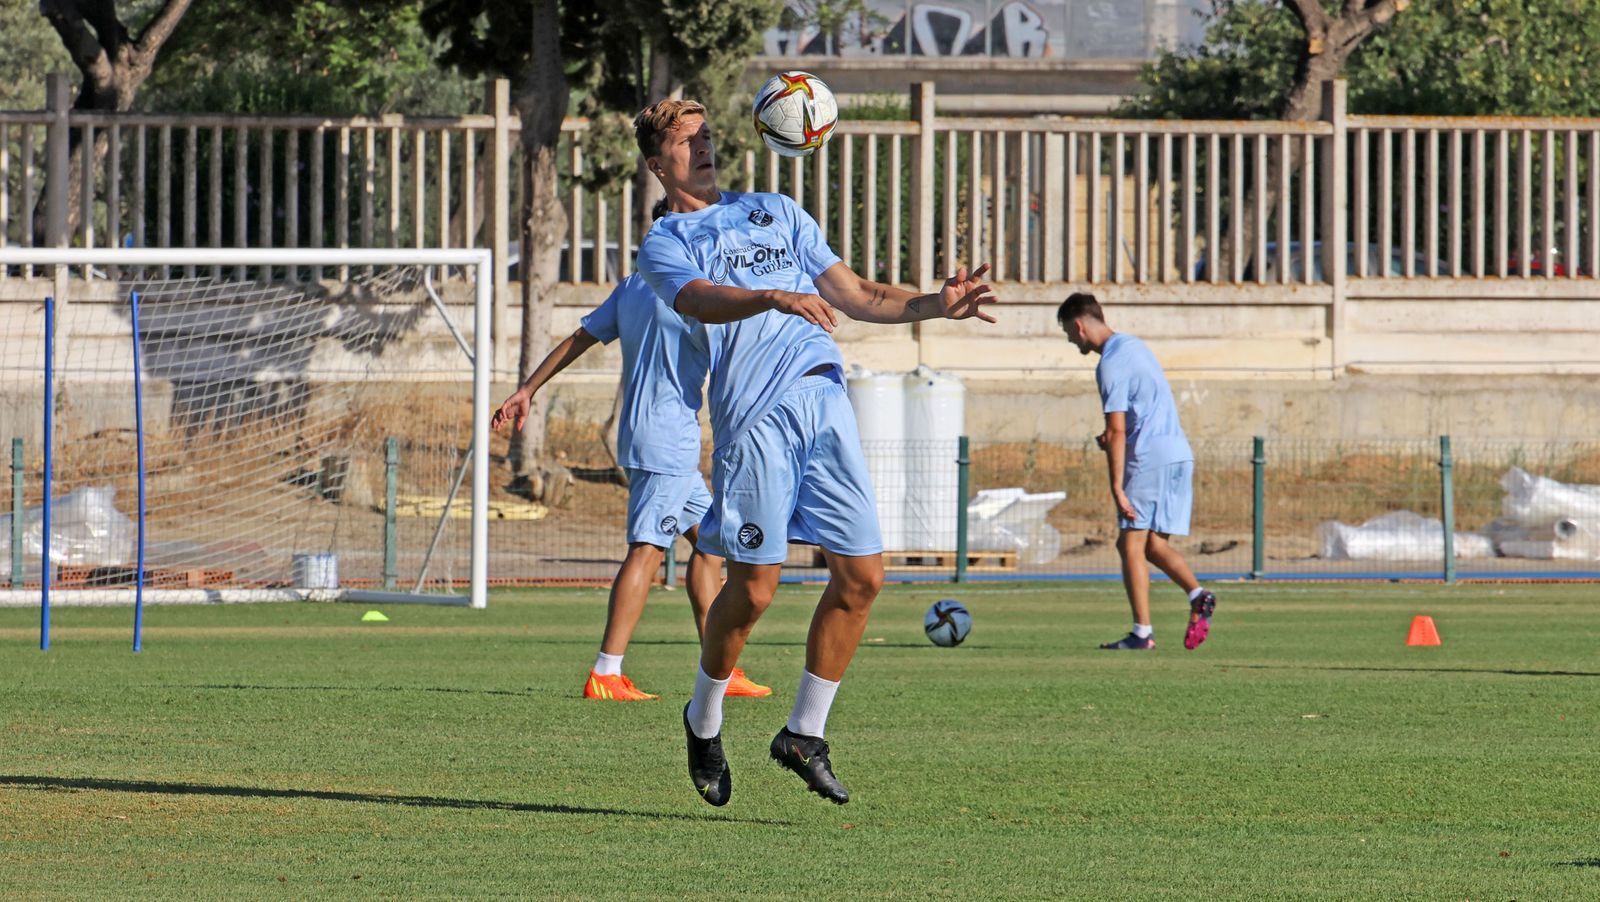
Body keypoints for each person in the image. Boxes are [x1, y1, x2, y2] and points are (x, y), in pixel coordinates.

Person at [632, 97, 997, 807]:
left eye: (705, 136)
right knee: (756, 591)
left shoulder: (776, 208)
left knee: (863, 577)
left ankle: (804, 733)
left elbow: (858, 294)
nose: (701, 148)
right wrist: (770, 296)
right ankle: (703, 719)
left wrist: (933, 304)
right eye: (683, 143)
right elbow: (701, 300)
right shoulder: (666, 242)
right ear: (656, 164)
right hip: (755, 422)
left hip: (825, 400)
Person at [491, 200, 771, 703]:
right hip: (665, 438)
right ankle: (606, 671)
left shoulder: (634, 286)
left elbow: (581, 337)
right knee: (646, 549)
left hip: (656, 436)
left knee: (710, 544)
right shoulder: (693, 292)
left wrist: (528, 388)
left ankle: (721, 669)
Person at [1056, 292, 1217, 651]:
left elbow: (1116, 430)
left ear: (1079, 325)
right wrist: (1120, 433)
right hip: (1178, 453)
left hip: (1149, 457)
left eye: (1068, 332)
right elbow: (1139, 410)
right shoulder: (1135, 346)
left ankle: (1142, 633)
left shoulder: (1109, 363)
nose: (1069, 339)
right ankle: (1198, 594)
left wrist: (1117, 486)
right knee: (1154, 546)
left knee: (1130, 540)